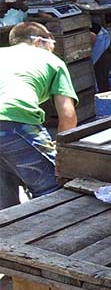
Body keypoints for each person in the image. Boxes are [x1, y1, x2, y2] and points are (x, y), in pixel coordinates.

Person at [0, 21, 78, 210]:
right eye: (51, 46)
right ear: (38, 42)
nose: (52, 51)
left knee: (4, 202)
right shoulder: (52, 61)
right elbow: (68, 116)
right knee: (54, 192)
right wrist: (61, 153)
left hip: (9, 125)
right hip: (14, 122)